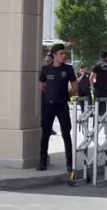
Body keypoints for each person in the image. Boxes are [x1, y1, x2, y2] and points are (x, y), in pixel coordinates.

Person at [37, 44, 78, 172]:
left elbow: (75, 87)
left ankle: (69, 163)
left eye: (64, 53)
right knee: (46, 134)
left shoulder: (69, 69)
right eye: (61, 53)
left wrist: (66, 96)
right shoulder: (45, 69)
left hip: (62, 106)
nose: (64, 56)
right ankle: (42, 162)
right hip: (48, 106)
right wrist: (48, 94)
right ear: (54, 55)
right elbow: (41, 86)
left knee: (66, 134)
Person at [90, 51, 107, 116]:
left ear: (100, 57)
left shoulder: (97, 65)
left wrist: (92, 87)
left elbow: (91, 78)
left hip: (99, 89)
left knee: (98, 107)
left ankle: (98, 122)